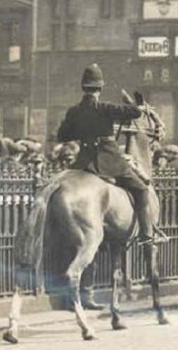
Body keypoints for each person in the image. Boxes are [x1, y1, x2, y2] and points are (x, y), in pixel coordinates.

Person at [56, 64, 163, 248]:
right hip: (110, 161)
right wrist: (138, 106)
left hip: (83, 162)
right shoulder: (106, 108)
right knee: (142, 189)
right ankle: (146, 234)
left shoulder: (74, 111)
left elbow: (62, 135)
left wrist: (84, 130)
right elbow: (135, 113)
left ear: (83, 88)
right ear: (100, 88)